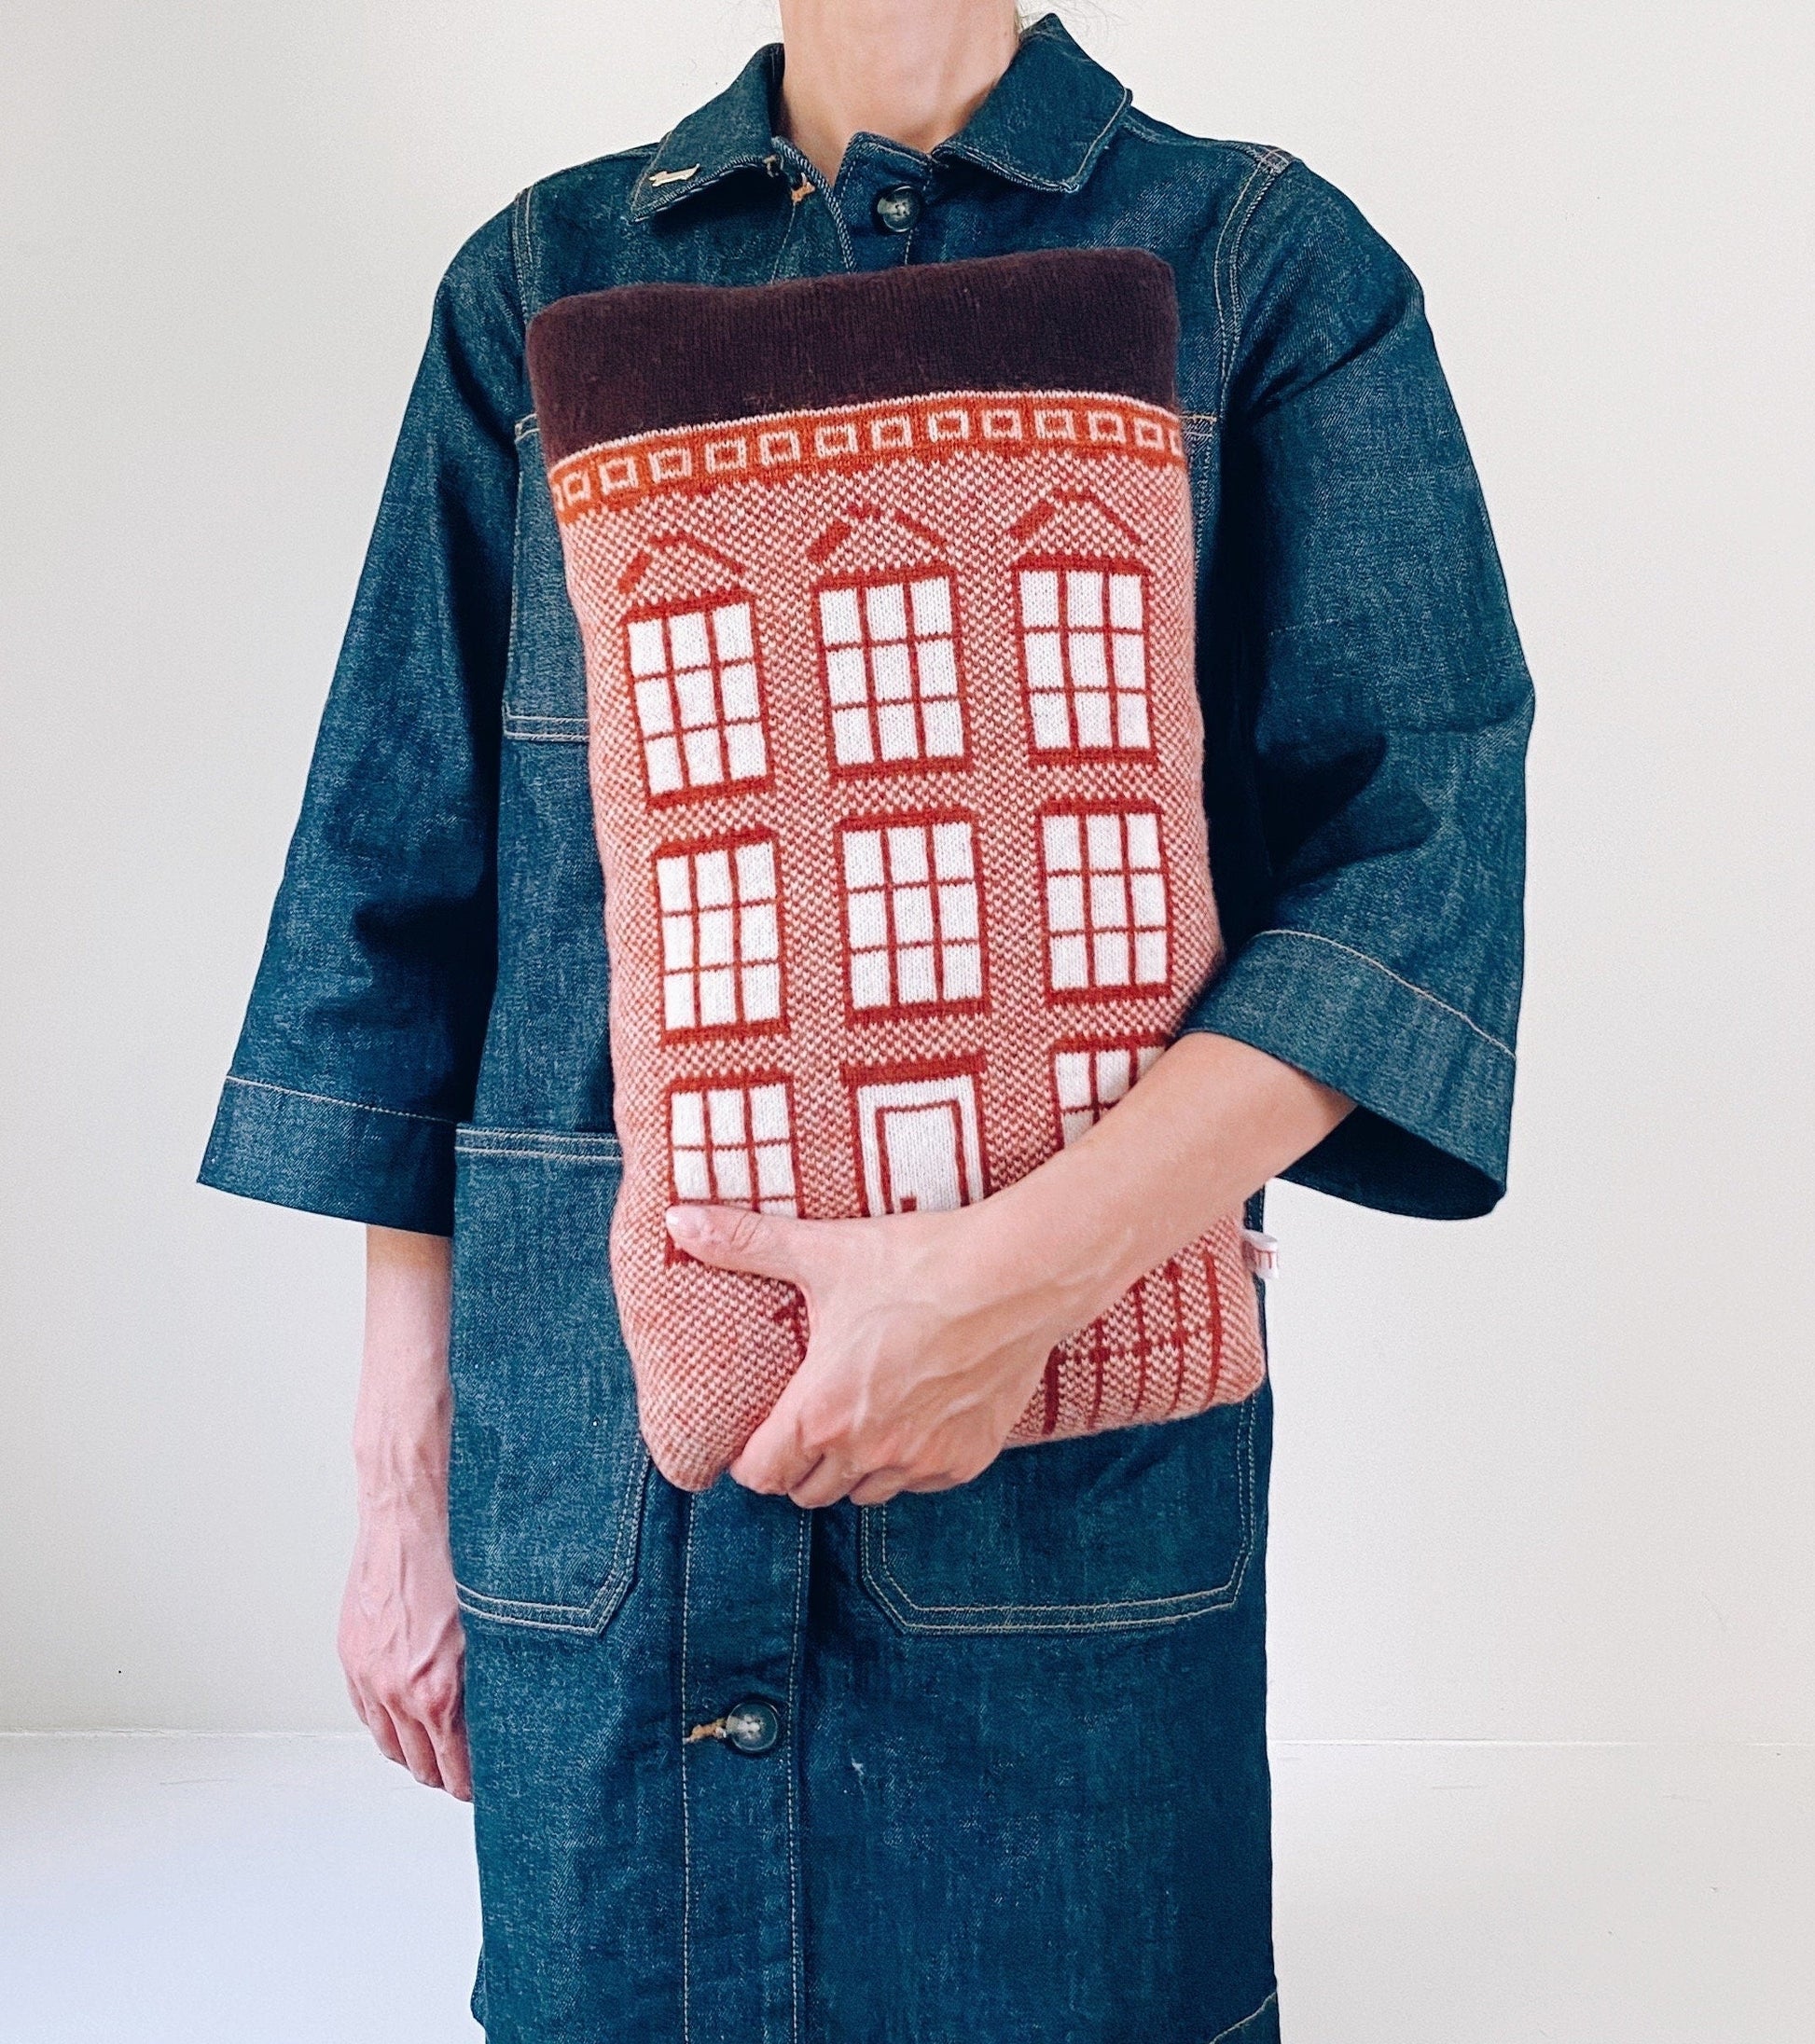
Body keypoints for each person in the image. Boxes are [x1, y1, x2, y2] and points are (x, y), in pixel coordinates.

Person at [199, 5, 1531, 2039]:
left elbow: (1408, 870)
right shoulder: (539, 286)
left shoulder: (1259, 264)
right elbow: (408, 898)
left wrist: (1012, 1276)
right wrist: (402, 1485)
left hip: (1056, 1494)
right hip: (603, 1496)